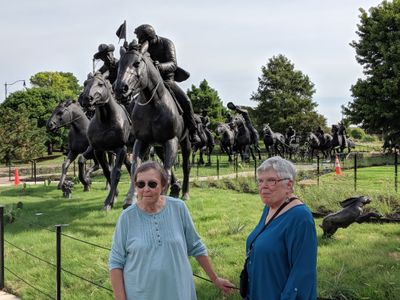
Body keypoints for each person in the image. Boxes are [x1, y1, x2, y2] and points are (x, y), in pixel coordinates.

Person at [109, 161, 234, 300]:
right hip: (140, 294)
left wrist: (215, 279)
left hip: (179, 292)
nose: (146, 189)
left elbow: (196, 246)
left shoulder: (178, 208)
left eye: (152, 184)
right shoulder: (127, 218)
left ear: (163, 185)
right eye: (140, 184)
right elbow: (116, 262)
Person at [244, 156, 317, 300]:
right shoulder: (270, 207)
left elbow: (302, 274)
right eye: (260, 180)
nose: (263, 186)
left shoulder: (300, 218)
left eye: (271, 180)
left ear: (289, 185)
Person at [134, 24, 200, 144]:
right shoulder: (143, 47)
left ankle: (193, 131)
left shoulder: (166, 43)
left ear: (148, 36)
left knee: (186, 101)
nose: (139, 40)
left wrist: (160, 66)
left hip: (166, 81)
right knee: (133, 103)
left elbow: (173, 64)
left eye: (140, 37)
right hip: (149, 83)